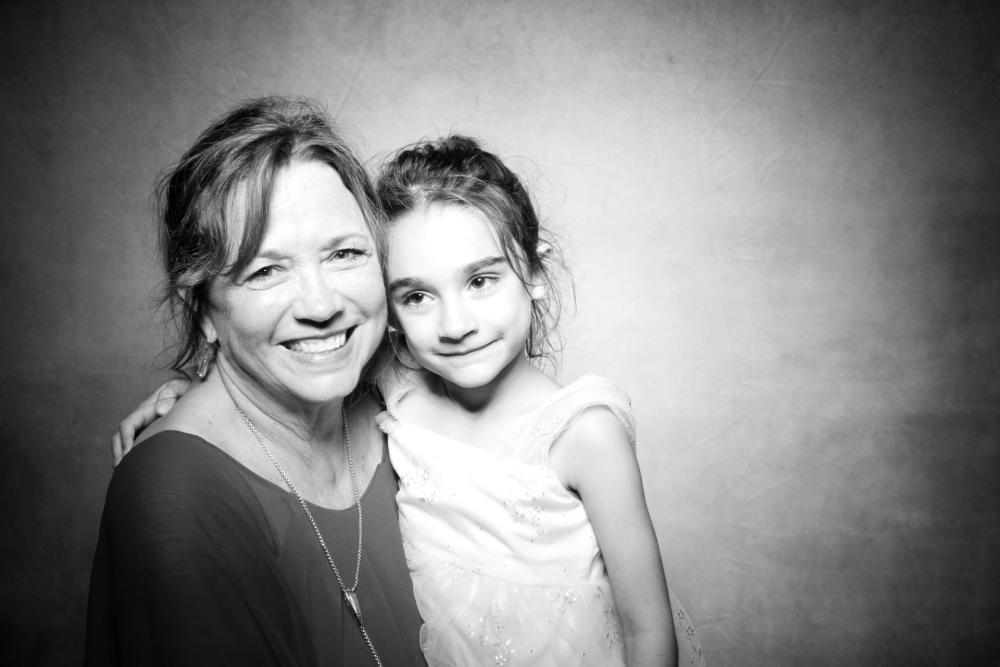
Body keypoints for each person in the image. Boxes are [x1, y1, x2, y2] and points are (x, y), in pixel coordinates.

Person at [114, 137, 708, 666]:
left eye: (480, 281)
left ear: (533, 270)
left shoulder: (585, 433)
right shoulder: (397, 385)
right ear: (393, 309)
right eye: (418, 296)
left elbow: (647, 626)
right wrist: (193, 390)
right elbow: (283, 370)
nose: (455, 324)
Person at [86, 96, 426, 666]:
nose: (321, 305)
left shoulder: (405, 404)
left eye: (345, 254)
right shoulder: (176, 497)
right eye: (265, 270)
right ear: (202, 309)